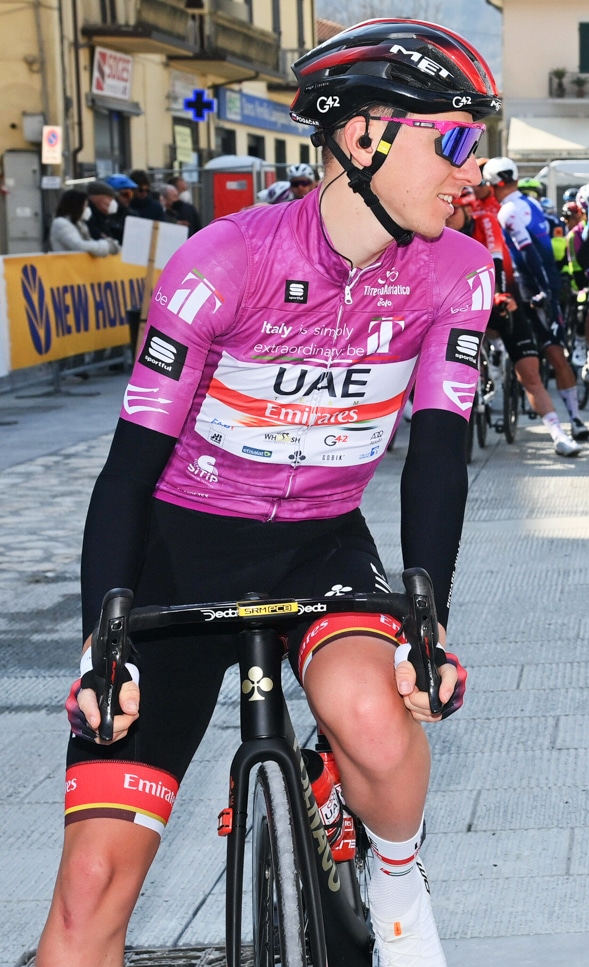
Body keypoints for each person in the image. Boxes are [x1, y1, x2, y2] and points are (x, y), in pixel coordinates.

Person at [37, 20, 500, 966]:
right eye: (454, 140)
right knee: (88, 895)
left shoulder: (458, 271)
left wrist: (428, 618)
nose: (471, 171)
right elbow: (128, 466)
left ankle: (397, 875)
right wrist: (103, 638)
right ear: (367, 135)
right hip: (180, 548)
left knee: (376, 716)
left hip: (320, 541)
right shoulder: (226, 261)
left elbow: (440, 451)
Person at [484, 156, 589, 447]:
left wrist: (542, 290)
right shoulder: (531, 204)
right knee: (556, 354)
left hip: (530, 290)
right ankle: (576, 417)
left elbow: (529, 254)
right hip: (545, 288)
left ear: (493, 185)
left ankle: (574, 419)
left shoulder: (507, 211)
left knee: (550, 354)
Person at [50, 189, 119, 256]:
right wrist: (106, 246)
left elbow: (89, 242)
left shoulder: (79, 224)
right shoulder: (61, 224)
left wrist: (108, 243)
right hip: (66, 265)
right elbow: (79, 245)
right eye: (85, 206)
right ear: (76, 207)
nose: (87, 209)